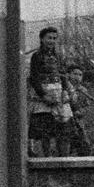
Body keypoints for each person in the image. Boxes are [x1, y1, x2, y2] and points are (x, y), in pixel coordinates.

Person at [27, 26, 67, 155]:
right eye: (49, 38)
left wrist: (65, 91)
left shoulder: (58, 56)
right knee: (45, 130)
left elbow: (63, 75)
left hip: (58, 95)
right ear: (42, 39)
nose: (52, 41)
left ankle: (62, 158)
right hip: (44, 97)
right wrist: (43, 95)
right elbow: (34, 77)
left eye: (54, 38)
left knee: (62, 128)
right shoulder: (36, 56)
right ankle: (46, 157)